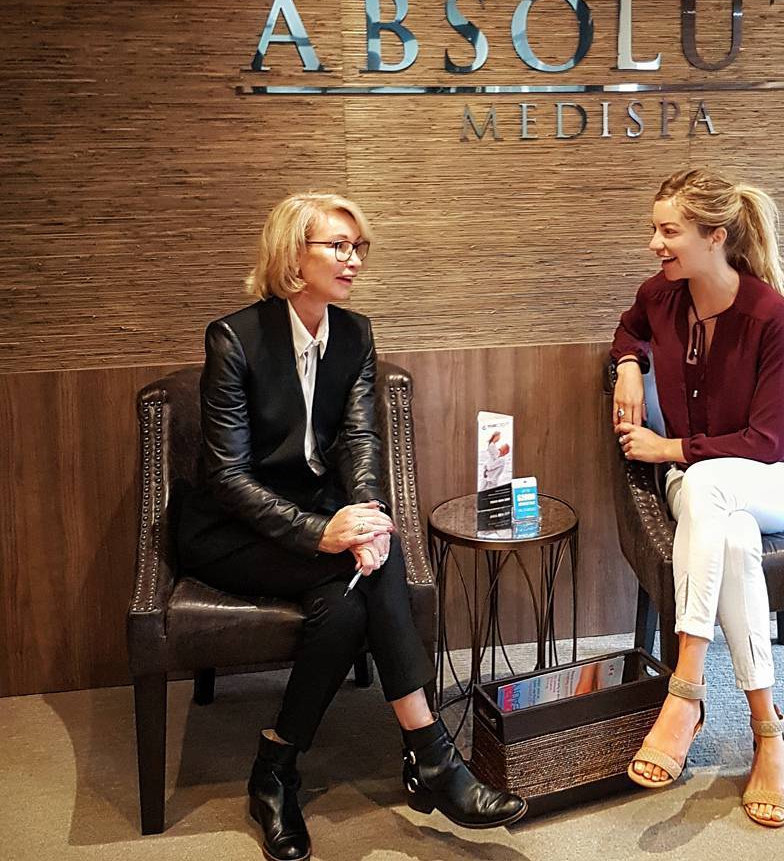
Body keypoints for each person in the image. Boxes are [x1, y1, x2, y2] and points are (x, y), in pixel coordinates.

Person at [178, 193, 526, 861]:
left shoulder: (355, 334)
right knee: (363, 564)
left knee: (345, 604)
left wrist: (365, 516)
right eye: (337, 246)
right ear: (293, 254)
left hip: (321, 513)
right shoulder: (235, 338)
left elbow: (361, 441)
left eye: (358, 246)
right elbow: (226, 476)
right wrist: (321, 533)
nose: (354, 260)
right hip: (230, 529)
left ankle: (275, 767)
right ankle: (432, 757)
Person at [610, 169, 784, 829]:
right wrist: (628, 365)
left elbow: (766, 440)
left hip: (778, 480)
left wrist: (667, 448)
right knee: (728, 535)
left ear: (714, 237)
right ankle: (768, 732)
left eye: (669, 231)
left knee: (707, 483)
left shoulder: (769, 313)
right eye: (655, 229)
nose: (655, 243)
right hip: (704, 490)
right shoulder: (660, 296)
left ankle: (686, 690)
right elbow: (628, 329)